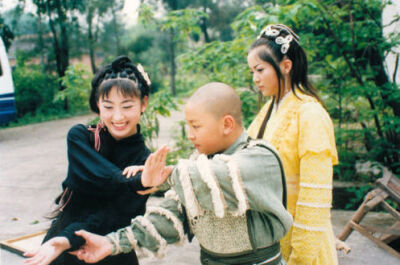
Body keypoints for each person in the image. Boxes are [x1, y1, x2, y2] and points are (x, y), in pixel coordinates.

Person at [71, 82, 293, 265]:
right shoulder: (198, 164)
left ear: (227, 124)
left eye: (196, 127)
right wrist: (111, 243)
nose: (189, 135)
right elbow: (169, 217)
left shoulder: (261, 158)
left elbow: (217, 177)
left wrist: (163, 176)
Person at [24, 56, 171, 265]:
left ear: (143, 103)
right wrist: (137, 183)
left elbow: (116, 216)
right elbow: (100, 178)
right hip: (61, 246)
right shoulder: (81, 138)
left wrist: (69, 239)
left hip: (109, 249)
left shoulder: (145, 162)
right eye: (108, 106)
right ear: (98, 105)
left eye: (127, 106)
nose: (118, 117)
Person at [247, 24, 339, 265]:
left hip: (303, 247)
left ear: (286, 66)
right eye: (252, 72)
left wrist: (301, 257)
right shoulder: (267, 111)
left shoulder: (310, 114)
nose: (255, 79)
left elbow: (315, 197)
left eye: (260, 70)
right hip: (268, 243)